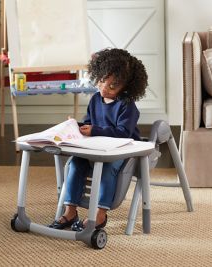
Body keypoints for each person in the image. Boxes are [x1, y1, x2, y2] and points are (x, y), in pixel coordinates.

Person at [49, 48, 148, 231]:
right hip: (96, 149)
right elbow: (89, 123)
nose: (104, 88)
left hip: (122, 151)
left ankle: (99, 215)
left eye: (112, 86)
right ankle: (70, 211)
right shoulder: (95, 99)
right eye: (102, 81)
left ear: (126, 87)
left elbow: (123, 133)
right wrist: (76, 126)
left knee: (108, 169)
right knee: (75, 164)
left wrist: (95, 130)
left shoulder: (127, 106)